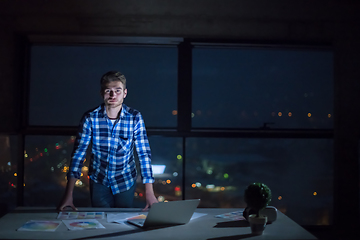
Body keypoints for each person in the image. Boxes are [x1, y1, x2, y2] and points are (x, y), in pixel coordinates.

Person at [58, 71, 158, 211]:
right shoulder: (90, 118)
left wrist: (150, 193)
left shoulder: (134, 117)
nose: (113, 95)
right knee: (101, 221)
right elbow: (78, 155)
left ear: (125, 93)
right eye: (108, 91)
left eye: (117, 91)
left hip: (125, 181)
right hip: (99, 181)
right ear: (101, 93)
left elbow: (144, 154)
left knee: (123, 223)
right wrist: (68, 195)